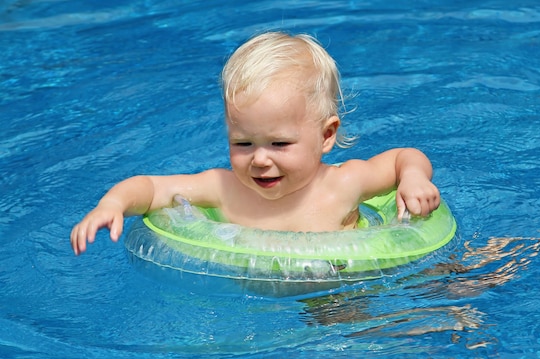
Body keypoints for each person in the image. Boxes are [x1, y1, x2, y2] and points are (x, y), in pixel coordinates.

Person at [70, 31, 440, 255]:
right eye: (243, 143)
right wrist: (112, 204)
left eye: (279, 143)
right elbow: (151, 188)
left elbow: (403, 158)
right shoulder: (223, 189)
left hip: (347, 278)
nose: (260, 159)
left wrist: (413, 179)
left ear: (326, 136)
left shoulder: (344, 184)